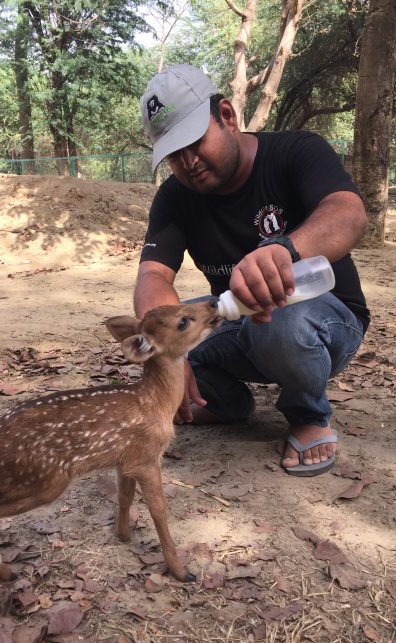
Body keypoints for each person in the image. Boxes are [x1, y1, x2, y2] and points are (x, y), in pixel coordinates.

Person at [134, 64, 370, 477]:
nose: (188, 162)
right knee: (157, 342)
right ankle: (227, 405)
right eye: (174, 154)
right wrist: (167, 349)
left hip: (327, 319)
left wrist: (285, 250)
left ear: (227, 116)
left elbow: (348, 213)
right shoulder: (175, 197)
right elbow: (154, 276)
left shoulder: (296, 151)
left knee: (277, 316)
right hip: (238, 318)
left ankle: (308, 414)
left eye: (194, 141)